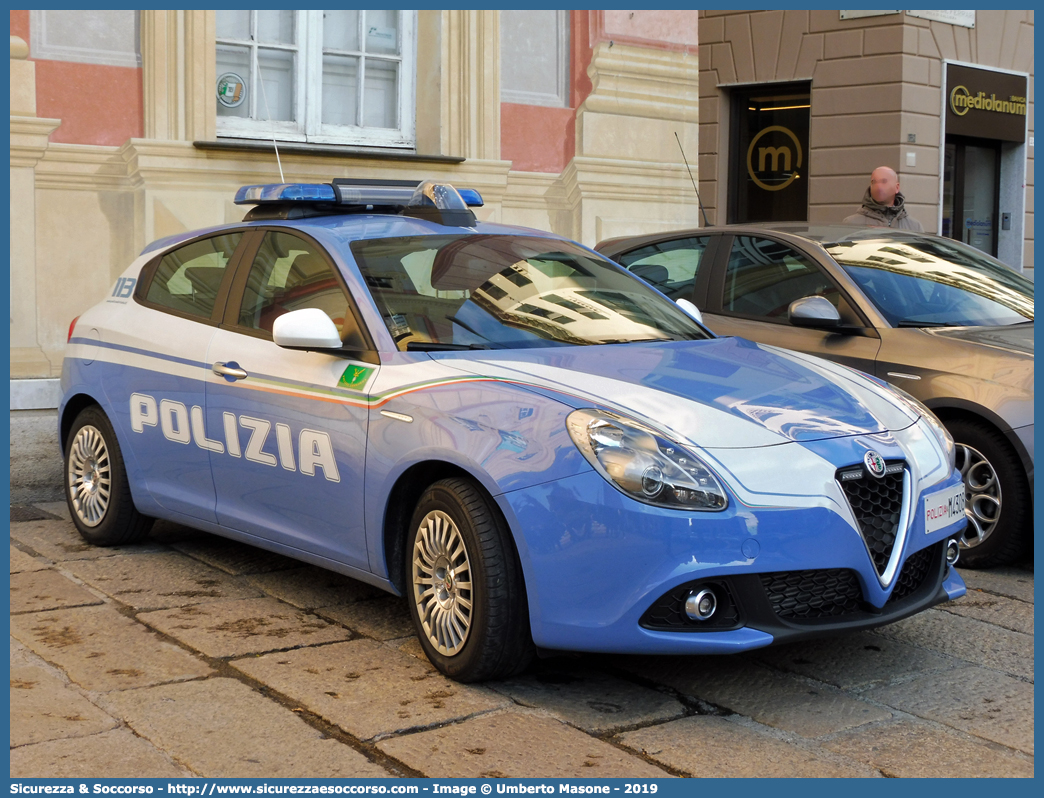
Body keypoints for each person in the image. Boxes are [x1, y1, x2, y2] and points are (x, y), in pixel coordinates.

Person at [843, 166, 923, 231]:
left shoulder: (914, 227)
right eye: (874, 182)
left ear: (897, 187)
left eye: (884, 182)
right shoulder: (852, 224)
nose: (878, 187)